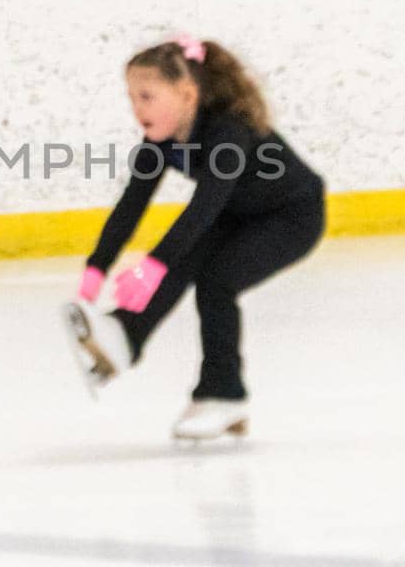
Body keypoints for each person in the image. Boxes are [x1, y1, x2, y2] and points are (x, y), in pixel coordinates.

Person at [63, 35, 326, 440]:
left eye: (147, 96)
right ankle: (124, 336)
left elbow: (204, 206)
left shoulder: (228, 132)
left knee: (216, 282)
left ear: (186, 94)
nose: (137, 109)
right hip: (239, 211)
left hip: (291, 215)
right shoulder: (161, 140)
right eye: (132, 97)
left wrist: (151, 268)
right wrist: (96, 267)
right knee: (182, 256)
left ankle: (225, 395)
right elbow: (132, 205)